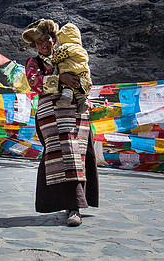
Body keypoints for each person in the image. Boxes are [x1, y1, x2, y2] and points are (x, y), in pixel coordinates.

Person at [23, 19, 99, 227]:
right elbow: (35, 83)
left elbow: (84, 75)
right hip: (51, 116)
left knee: (80, 153)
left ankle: (78, 202)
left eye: (47, 39)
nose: (44, 44)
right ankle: (72, 206)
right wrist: (61, 78)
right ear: (34, 46)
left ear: (54, 39)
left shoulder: (69, 55)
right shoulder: (34, 63)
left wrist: (77, 82)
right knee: (63, 156)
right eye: (39, 42)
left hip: (77, 113)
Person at [53, 23, 92, 113]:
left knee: (68, 87)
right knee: (79, 90)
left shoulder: (65, 47)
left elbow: (56, 57)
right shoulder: (82, 49)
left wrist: (54, 60)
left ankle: (66, 100)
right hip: (83, 75)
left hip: (70, 71)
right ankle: (83, 102)